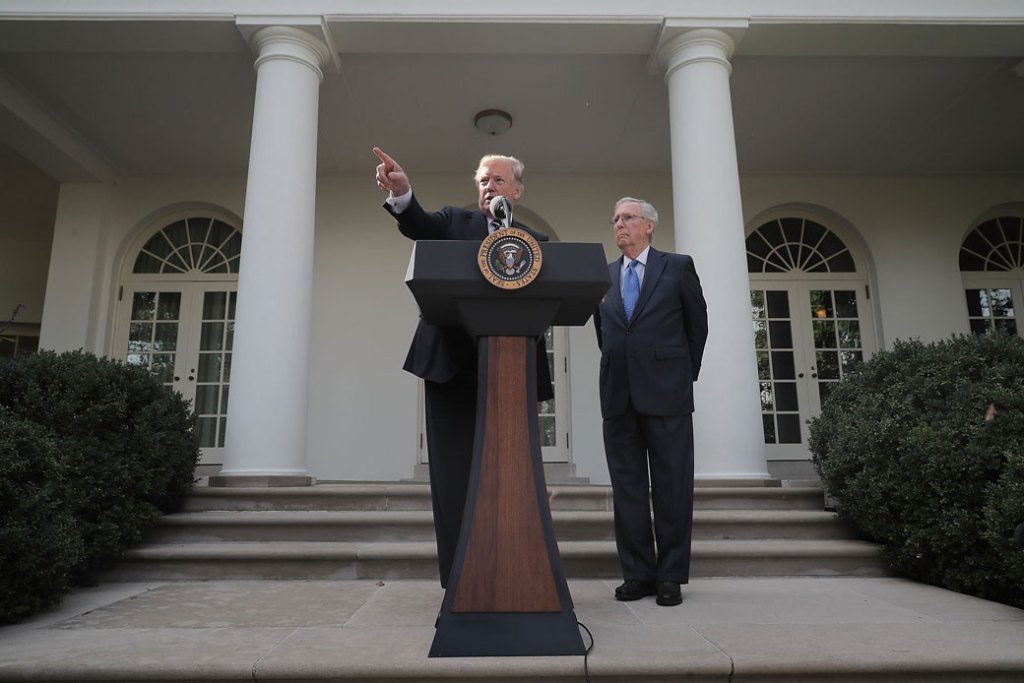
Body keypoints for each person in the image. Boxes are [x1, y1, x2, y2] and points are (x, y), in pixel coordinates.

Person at [373, 147, 554, 589]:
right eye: (482, 180)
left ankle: (513, 575)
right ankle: (458, 584)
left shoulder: (538, 244)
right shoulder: (455, 222)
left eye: (496, 180)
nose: (488, 187)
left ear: (517, 189)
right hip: (451, 370)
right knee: (454, 483)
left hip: (510, 374)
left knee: (510, 480)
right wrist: (402, 194)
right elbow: (420, 225)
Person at [594, 197, 708, 607]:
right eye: (615, 219)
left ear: (649, 226)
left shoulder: (677, 267)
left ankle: (670, 576)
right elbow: (605, 336)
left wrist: (681, 376)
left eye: (627, 218)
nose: (619, 225)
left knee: (672, 487)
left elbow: (698, 326)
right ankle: (638, 574)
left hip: (668, 394)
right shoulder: (603, 276)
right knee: (627, 490)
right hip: (618, 397)